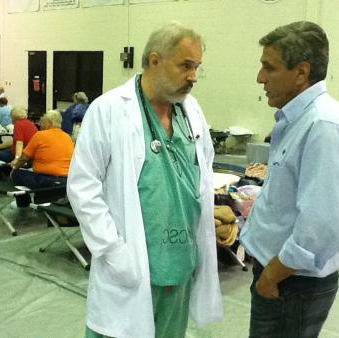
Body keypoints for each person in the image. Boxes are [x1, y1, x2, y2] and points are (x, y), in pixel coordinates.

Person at [67, 21, 222, 338]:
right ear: (155, 60)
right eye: (186, 66)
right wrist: (113, 251)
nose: (193, 77)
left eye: (197, 68)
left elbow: (203, 169)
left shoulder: (191, 111)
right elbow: (83, 187)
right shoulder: (109, 109)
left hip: (180, 265)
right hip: (130, 265)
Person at [239, 21, 339, 338]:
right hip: (283, 278)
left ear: (301, 72)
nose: (260, 78)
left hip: (291, 284)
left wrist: (273, 276)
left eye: (269, 67)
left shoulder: (323, 126)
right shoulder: (298, 119)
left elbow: (324, 224)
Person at [10, 110, 74, 207]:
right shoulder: (68, 137)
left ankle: (23, 204)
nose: (40, 124)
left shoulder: (40, 135)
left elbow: (24, 158)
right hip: (67, 181)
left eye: (42, 121)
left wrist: (15, 166)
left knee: (16, 174)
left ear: (49, 123)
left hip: (48, 181)